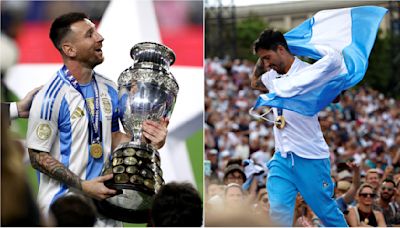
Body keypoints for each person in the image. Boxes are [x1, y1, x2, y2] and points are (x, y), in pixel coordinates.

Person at [26, 12, 168, 224]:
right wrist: (83, 185)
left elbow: (111, 137)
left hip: (105, 213)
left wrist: (146, 139)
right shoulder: (50, 96)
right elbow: (37, 155)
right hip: (64, 212)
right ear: (69, 49)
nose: (100, 37)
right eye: (89, 34)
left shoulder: (110, 89)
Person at [250, 29, 347, 226]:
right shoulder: (272, 77)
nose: (267, 64)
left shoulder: (310, 72)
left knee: (326, 212)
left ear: (281, 49)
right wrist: (262, 55)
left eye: (268, 57)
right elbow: (254, 82)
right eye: (263, 60)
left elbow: (336, 95)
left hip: (310, 157)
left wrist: (325, 86)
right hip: (282, 157)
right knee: (278, 212)